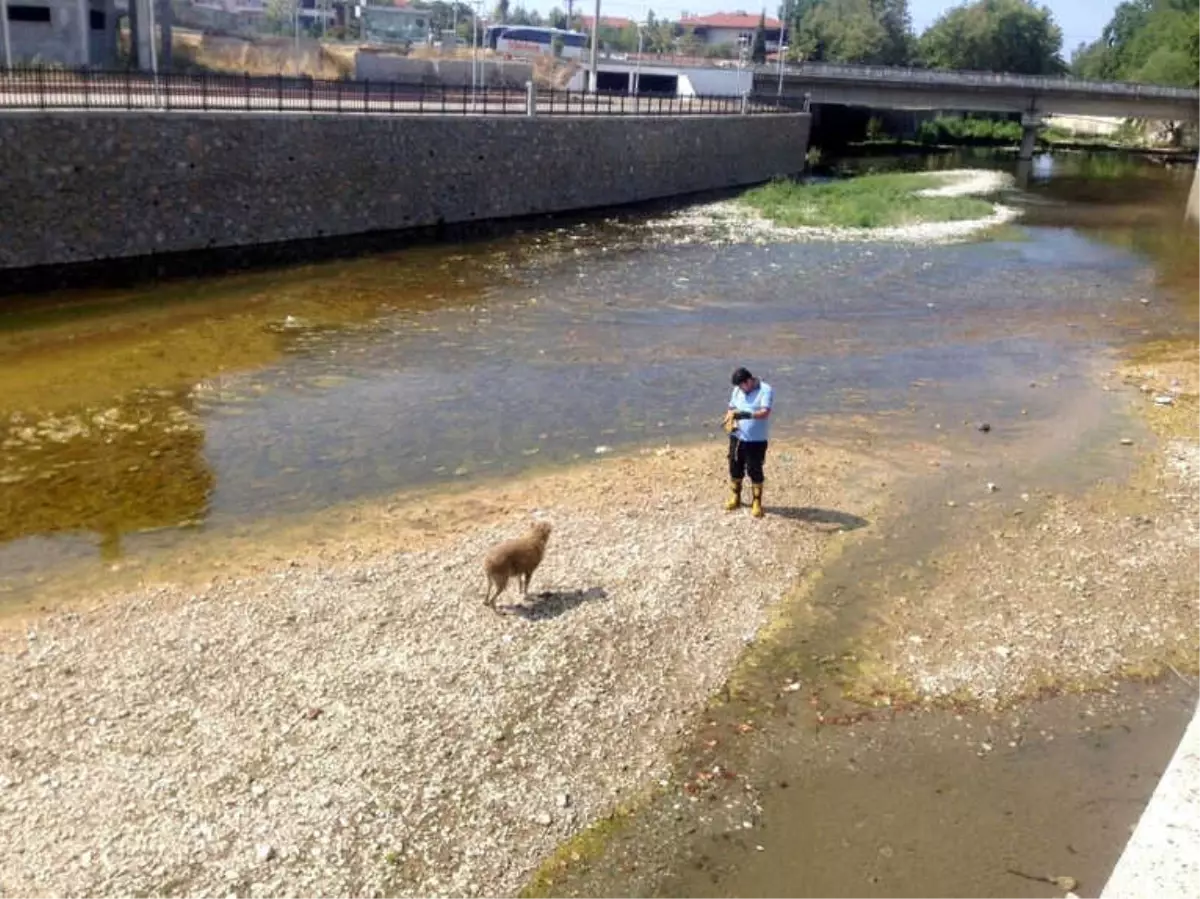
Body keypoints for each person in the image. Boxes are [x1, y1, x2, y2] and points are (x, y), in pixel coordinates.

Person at [723, 366, 773, 518]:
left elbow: (765, 413)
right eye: (738, 386)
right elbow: (731, 408)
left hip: (756, 440)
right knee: (734, 466)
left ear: (749, 381)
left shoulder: (765, 389)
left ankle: (756, 502)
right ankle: (735, 497)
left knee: (754, 469)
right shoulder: (738, 390)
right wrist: (729, 420)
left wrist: (747, 415)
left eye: (742, 385)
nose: (740, 389)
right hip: (737, 437)